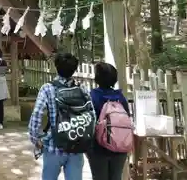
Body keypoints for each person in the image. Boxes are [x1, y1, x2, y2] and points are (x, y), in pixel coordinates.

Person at [28, 52, 93, 180]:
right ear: (74, 69)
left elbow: (36, 116)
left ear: (56, 67)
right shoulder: (82, 89)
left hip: (54, 145)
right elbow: (91, 116)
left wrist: (36, 139)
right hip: (76, 145)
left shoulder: (48, 89)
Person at [88, 62, 131, 180]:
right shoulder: (120, 97)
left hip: (98, 148)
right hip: (119, 145)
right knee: (116, 177)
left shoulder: (92, 96)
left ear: (97, 78)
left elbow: (88, 122)